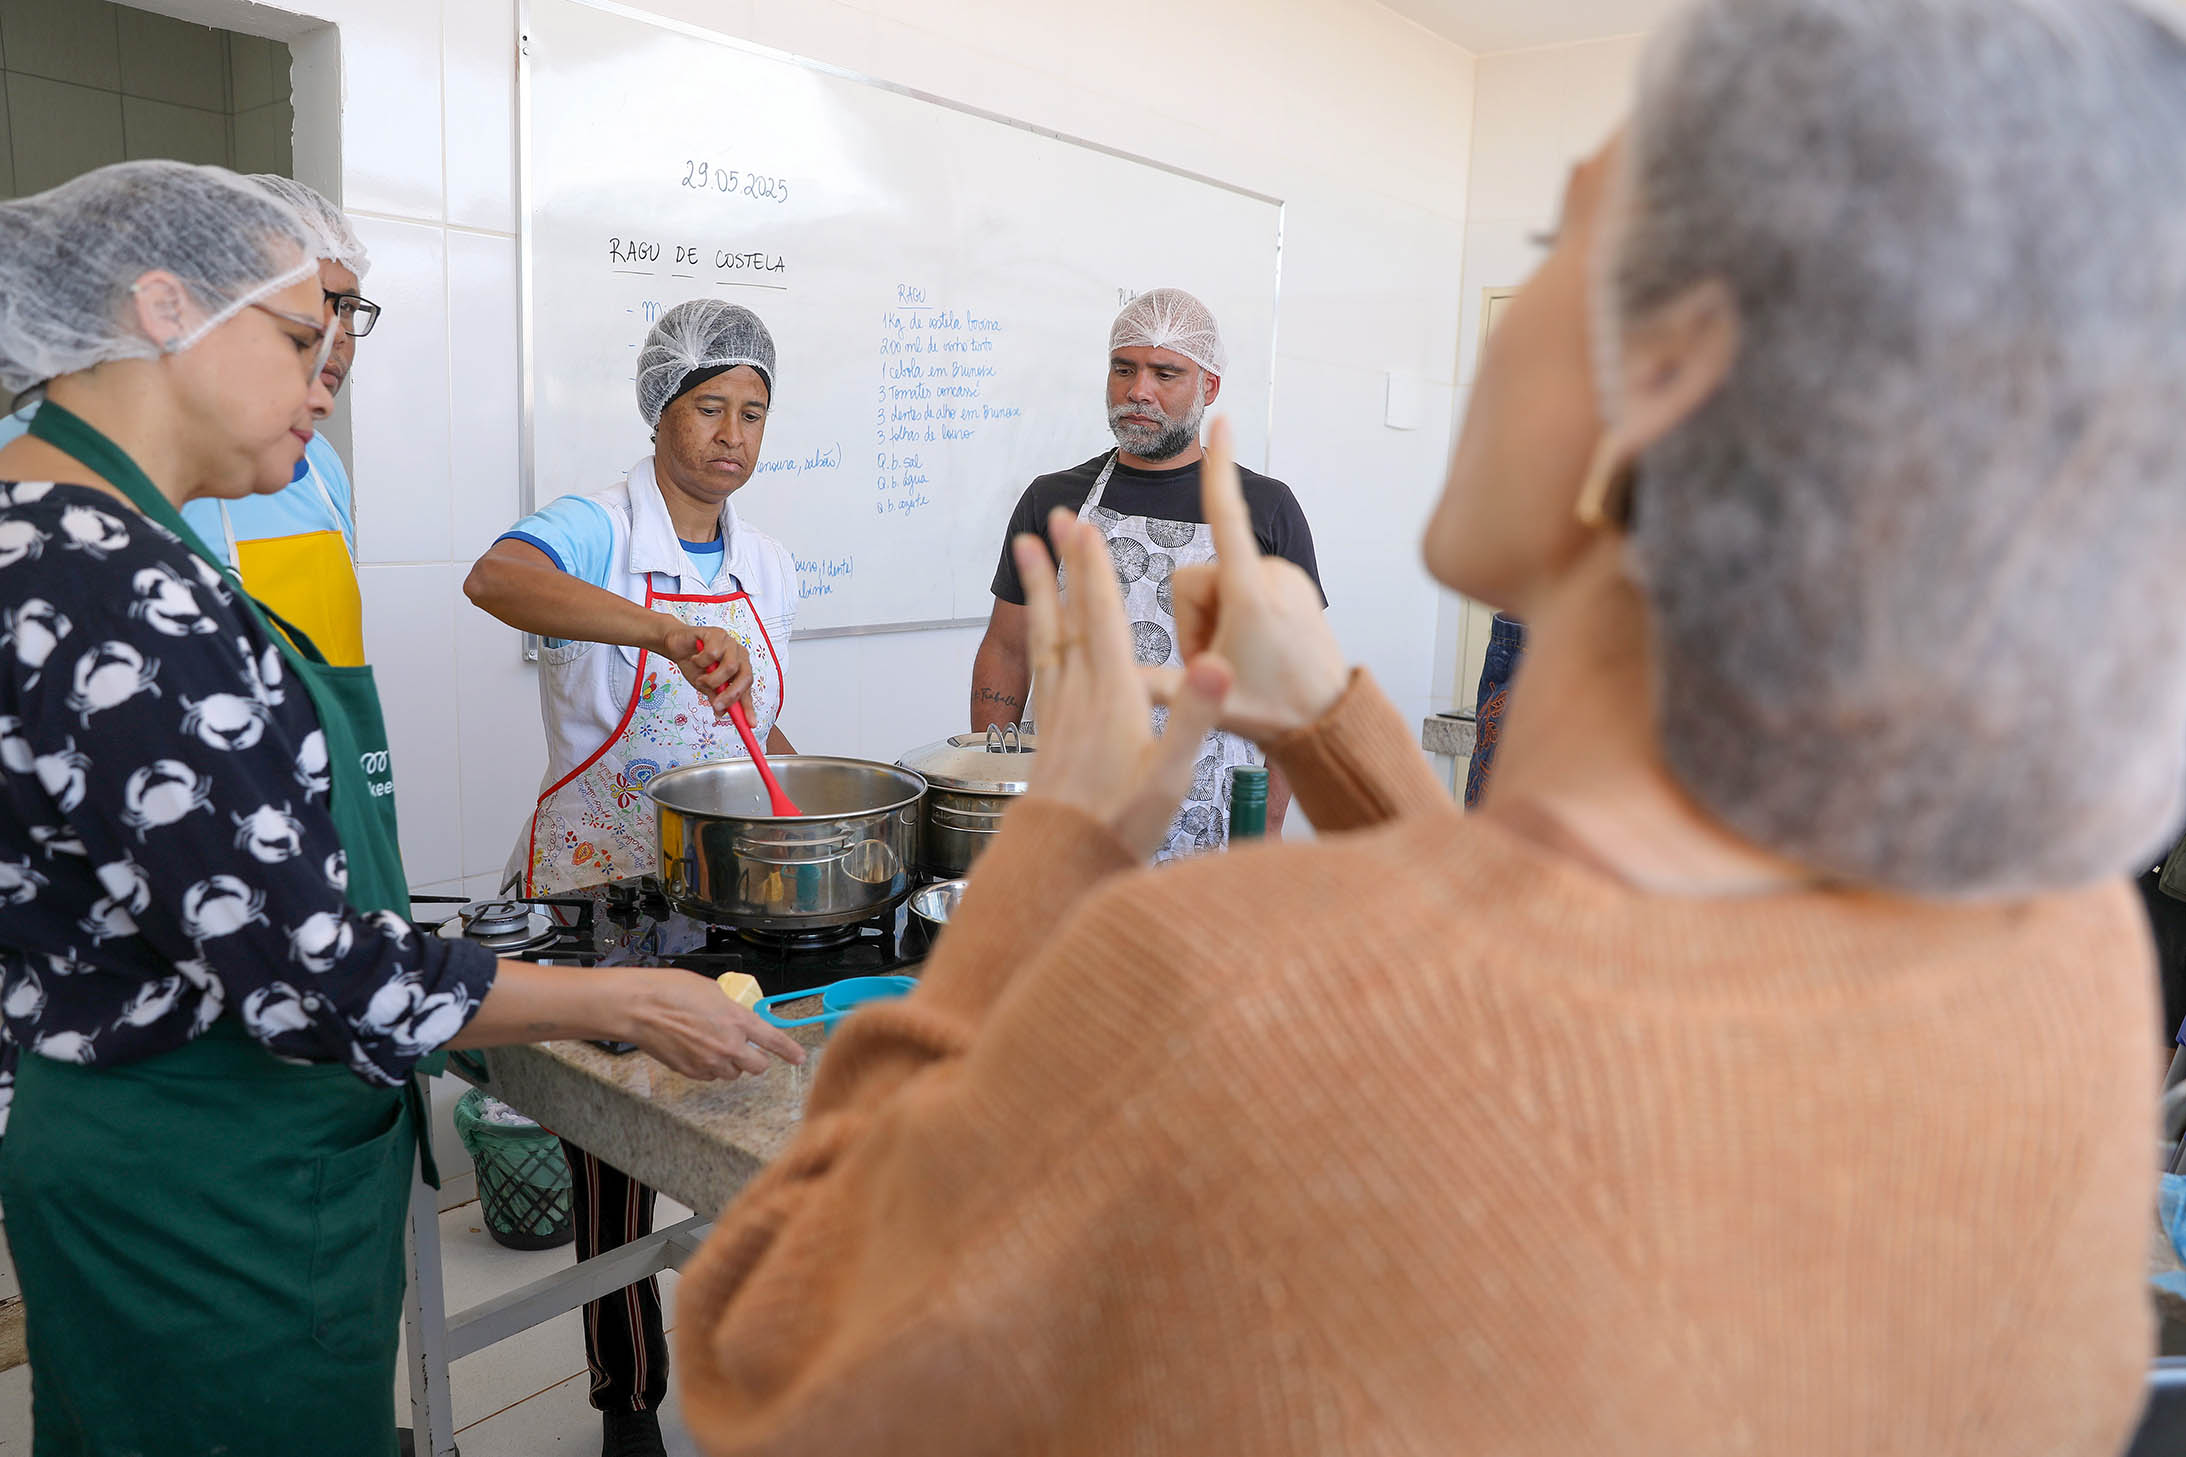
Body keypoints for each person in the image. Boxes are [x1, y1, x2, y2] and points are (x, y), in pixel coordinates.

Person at [668, 1, 2186, 1452]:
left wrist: (1052, 847)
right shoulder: (2066, 965)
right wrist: (1329, 722)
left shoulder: (1221, 983)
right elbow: (1505, 959)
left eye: (1553, 250)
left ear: (1659, 380)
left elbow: (780, 1364)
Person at [0, 160, 802, 1457]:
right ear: (164, 307)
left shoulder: (87, 537)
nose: (328, 380)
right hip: (210, 1186)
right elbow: (300, 961)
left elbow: (209, 886)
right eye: (303, 337)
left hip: (180, 1153)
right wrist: (613, 997)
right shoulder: (108, 579)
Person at [464, 299, 798, 1457]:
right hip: (598, 879)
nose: (732, 435)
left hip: (712, 884)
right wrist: (656, 633)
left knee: (741, 1113)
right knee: (608, 1152)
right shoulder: (598, 525)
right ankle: (629, 1399)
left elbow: (765, 736)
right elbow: (495, 577)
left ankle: (757, 1355)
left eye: (753, 411)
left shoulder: (766, 564)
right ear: (662, 408)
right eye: (710, 406)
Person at [968, 287, 1322, 855]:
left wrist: (1270, 825)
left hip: (1210, 823)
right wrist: (987, 792)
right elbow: (1008, 651)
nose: (1138, 391)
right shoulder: (1052, 499)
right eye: (1123, 369)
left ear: (1208, 386)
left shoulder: (1266, 510)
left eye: (1165, 373)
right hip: (1065, 810)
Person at [0, 174, 376, 664]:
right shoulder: (43, 489)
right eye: (298, 328)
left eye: (347, 308)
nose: (335, 333)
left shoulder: (317, 461)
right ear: (171, 312)